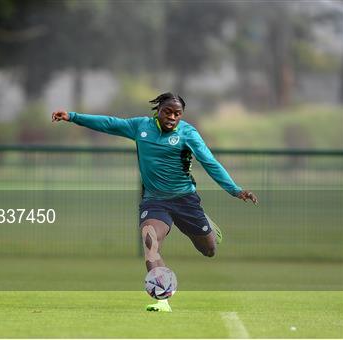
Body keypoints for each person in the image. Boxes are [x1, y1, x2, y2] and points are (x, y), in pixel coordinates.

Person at [52, 92, 258, 312]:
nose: (171, 117)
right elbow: (109, 123)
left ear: (182, 115)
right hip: (155, 201)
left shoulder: (188, 133)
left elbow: (210, 162)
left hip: (185, 201)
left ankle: (207, 225)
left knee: (209, 250)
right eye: (167, 112)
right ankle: (162, 299)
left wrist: (235, 190)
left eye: (177, 114)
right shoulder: (141, 127)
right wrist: (72, 116)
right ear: (158, 111)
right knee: (150, 242)